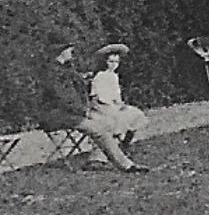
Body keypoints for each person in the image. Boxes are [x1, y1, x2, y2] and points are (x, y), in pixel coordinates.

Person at [33, 36, 149, 173]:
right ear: (61, 52)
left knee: (108, 123)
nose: (72, 52)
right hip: (57, 115)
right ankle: (126, 166)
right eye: (69, 49)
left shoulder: (65, 68)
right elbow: (63, 98)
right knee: (99, 130)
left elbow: (74, 85)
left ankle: (99, 159)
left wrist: (85, 79)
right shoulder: (52, 73)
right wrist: (84, 110)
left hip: (72, 113)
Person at [84, 44, 147, 167]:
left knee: (136, 115)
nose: (113, 64)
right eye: (111, 61)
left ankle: (123, 145)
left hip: (113, 106)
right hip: (100, 108)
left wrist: (120, 104)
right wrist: (112, 106)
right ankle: (101, 156)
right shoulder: (100, 76)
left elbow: (116, 96)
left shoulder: (114, 76)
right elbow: (97, 97)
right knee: (114, 121)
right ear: (105, 62)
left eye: (116, 62)